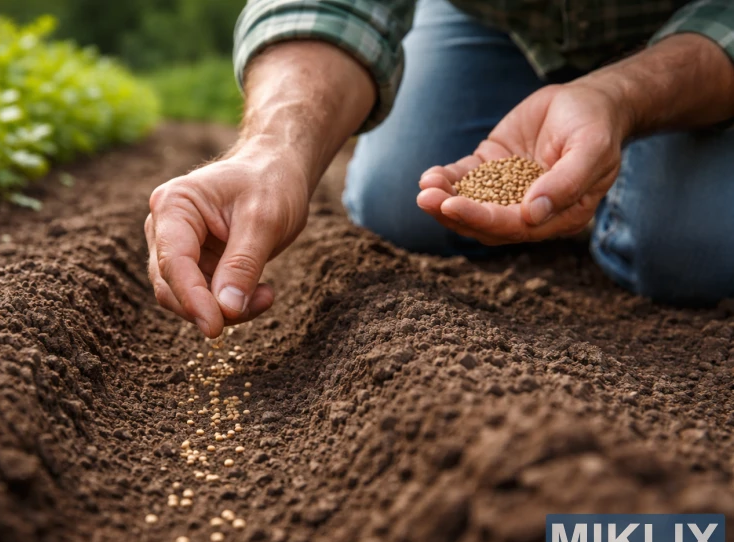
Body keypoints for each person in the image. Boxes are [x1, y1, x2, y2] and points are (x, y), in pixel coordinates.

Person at [145, 0, 734, 338]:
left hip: (704, 24)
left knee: (688, 249)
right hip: (500, 19)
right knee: (402, 200)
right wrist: (273, 150)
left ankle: (625, 157)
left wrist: (622, 97)